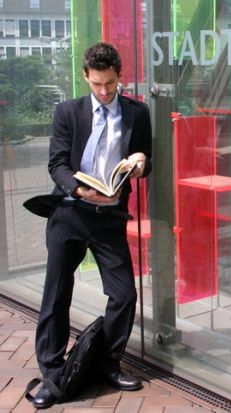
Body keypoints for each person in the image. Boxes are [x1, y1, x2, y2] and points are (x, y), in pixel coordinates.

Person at [31, 42, 152, 409]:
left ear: (120, 77)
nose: (104, 92)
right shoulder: (67, 111)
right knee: (56, 294)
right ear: (86, 76)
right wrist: (80, 189)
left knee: (124, 295)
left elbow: (149, 160)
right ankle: (53, 373)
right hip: (70, 213)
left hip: (108, 219)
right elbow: (57, 165)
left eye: (111, 84)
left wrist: (142, 160)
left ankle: (106, 364)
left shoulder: (137, 112)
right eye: (97, 84)